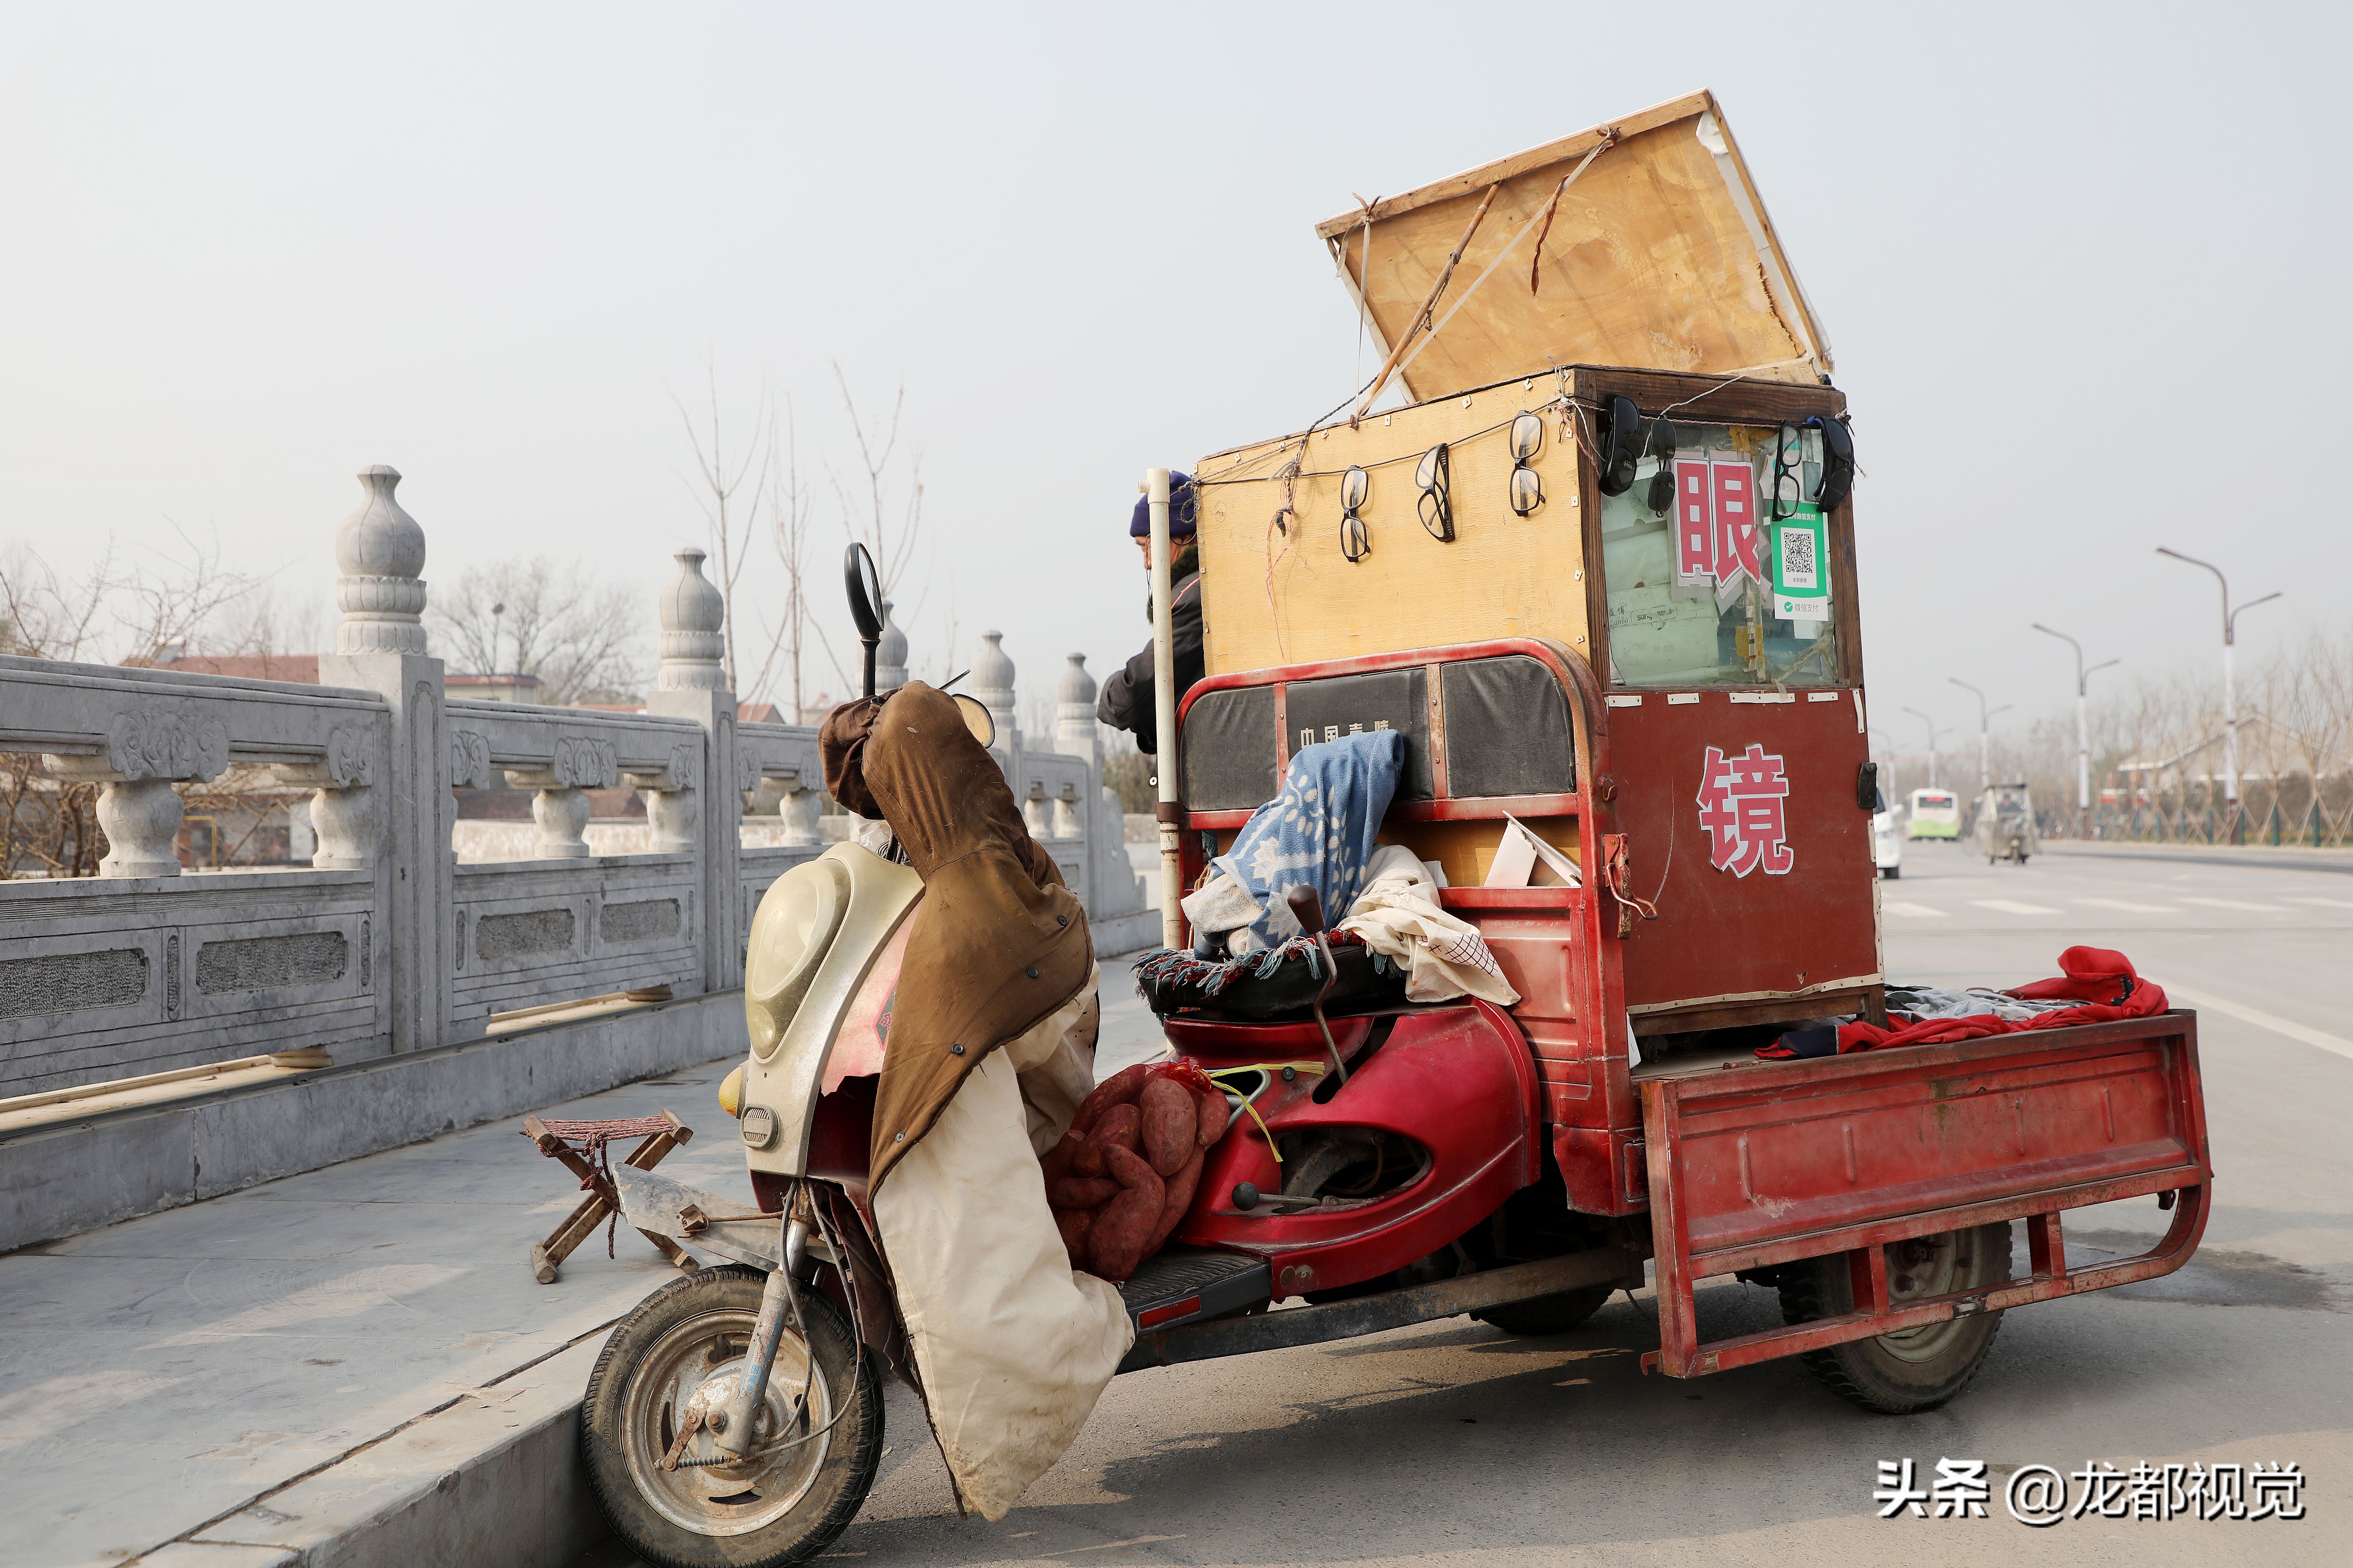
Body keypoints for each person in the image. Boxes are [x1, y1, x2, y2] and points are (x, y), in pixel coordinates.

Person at [1096, 471, 1202, 757]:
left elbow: (1133, 694)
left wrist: (1107, 695)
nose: (1146, 563)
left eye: (1148, 546)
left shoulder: (1195, 598)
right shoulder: (1198, 590)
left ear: (1182, 538)